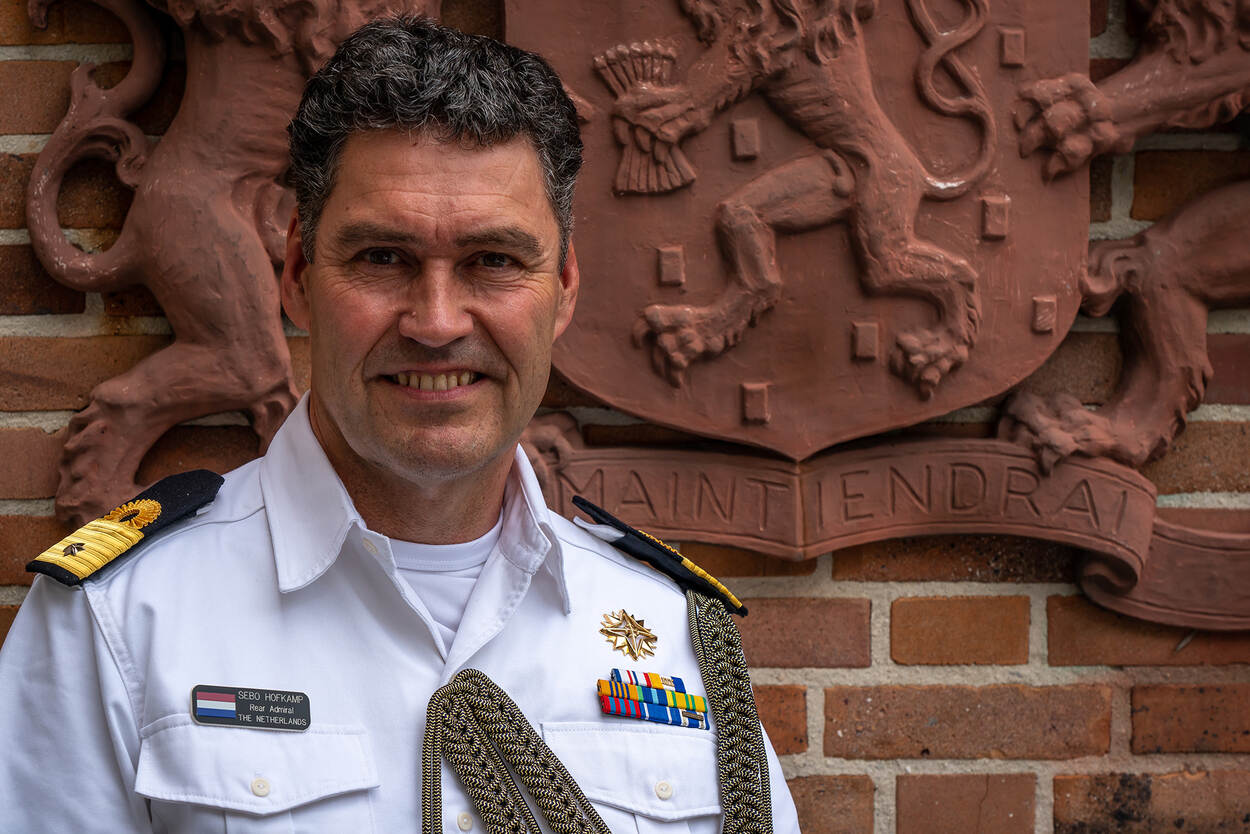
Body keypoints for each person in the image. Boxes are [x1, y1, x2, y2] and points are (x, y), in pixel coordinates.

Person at [0, 17, 800, 832]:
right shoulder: (117, 623)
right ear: (297, 275)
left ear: (562, 288)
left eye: (494, 260)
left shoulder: (675, 634)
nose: (437, 321)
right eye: (383, 257)